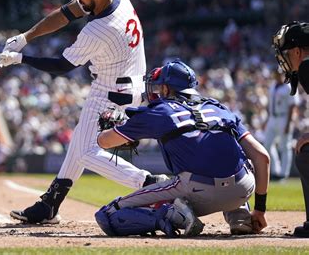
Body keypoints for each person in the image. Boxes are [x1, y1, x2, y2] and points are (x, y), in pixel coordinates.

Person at [0, 0, 166, 224]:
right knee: (79, 143)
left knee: (86, 152)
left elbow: (62, 66)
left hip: (111, 92)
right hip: (123, 85)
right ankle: (50, 204)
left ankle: (150, 183)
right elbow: (67, 13)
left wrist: (21, 59)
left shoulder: (99, 29)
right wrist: (27, 36)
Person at [95, 59, 270, 236]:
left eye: (158, 87)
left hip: (197, 190)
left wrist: (109, 128)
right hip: (242, 188)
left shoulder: (161, 110)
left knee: (108, 214)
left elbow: (105, 142)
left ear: (165, 88)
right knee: (232, 159)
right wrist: (260, 209)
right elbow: (262, 157)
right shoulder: (219, 108)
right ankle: (241, 218)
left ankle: (175, 216)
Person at [272, 21, 309, 237]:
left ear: (296, 51)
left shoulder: (306, 66)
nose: (284, 61)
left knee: (305, 155)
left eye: (286, 54)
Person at [263, 70, 298, 180]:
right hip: (273, 117)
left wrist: (289, 123)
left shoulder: (288, 86)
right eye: (275, 73)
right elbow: (270, 104)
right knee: (267, 145)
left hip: (284, 117)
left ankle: (283, 174)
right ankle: (275, 170)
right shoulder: (273, 85)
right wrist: (267, 119)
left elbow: (292, 106)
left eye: (279, 73)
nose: (277, 75)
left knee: (285, 146)